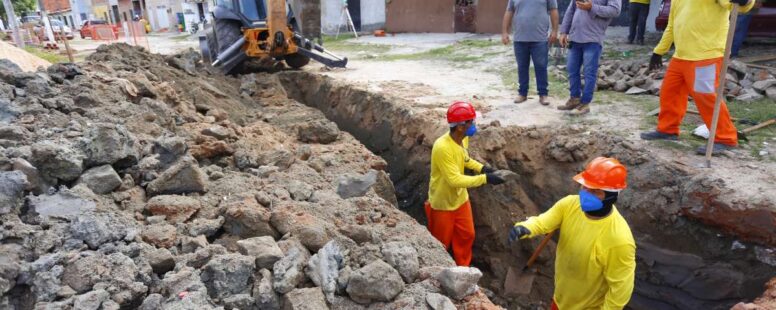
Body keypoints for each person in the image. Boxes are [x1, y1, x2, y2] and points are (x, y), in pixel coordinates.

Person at [508, 157, 635, 309]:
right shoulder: (570, 204)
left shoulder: (619, 240)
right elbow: (543, 222)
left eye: (595, 191)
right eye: (585, 187)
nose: (586, 194)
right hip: (560, 298)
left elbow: (620, 289)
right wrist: (525, 227)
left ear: (611, 197)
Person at [641, 0, 755, 155]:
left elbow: (735, 5)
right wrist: (659, 51)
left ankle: (726, 138)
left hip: (707, 54)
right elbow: (672, 25)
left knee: (706, 97)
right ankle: (668, 130)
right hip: (681, 55)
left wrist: (746, 1)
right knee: (670, 93)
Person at [426, 101, 506, 266]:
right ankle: (439, 271)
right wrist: (485, 179)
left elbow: (465, 159)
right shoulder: (442, 147)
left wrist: (483, 168)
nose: (474, 125)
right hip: (443, 203)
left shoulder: (463, 139)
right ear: (460, 126)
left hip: (461, 199)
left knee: (467, 235)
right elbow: (454, 180)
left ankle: (463, 268)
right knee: (440, 243)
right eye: (471, 121)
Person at [556, 0, 622, 115]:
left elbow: (615, 10)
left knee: (589, 72)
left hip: (593, 39)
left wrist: (592, 7)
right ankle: (574, 99)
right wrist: (563, 32)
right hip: (575, 37)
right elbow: (571, 10)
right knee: (572, 70)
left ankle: (585, 103)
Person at [501, 0, 560, 105]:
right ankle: (522, 93)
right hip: (519, 38)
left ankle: (543, 94)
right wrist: (505, 32)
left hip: (540, 39)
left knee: (541, 67)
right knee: (522, 67)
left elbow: (553, 10)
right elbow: (509, 11)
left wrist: (555, 31)